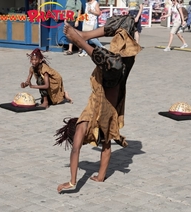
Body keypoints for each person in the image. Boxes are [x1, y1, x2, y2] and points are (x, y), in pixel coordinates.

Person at [55, 15, 141, 193]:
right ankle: (81, 40)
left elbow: (104, 149)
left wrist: (99, 177)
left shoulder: (96, 128)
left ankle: (85, 36)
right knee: (115, 55)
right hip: (113, 78)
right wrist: (72, 182)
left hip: (115, 81)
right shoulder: (83, 125)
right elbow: (76, 150)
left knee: (126, 24)